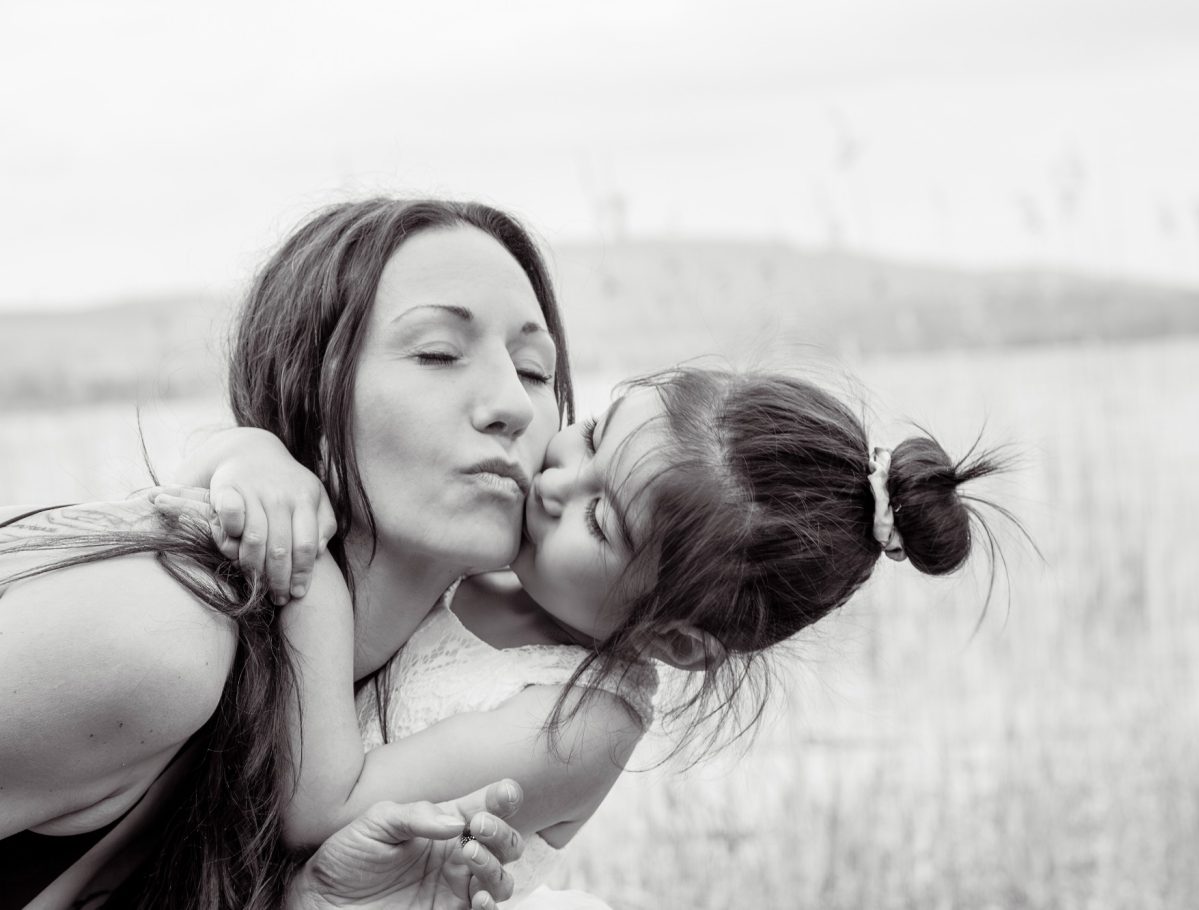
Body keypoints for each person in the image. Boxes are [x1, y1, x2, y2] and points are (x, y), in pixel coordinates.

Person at [169, 362, 1009, 906]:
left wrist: (303, 564)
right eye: (598, 433)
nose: (556, 480)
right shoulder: (487, 541)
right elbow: (228, 482)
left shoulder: (583, 723)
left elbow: (321, 808)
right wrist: (255, 461)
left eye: (601, 519)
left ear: (679, 641)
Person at [0, 198, 577, 908]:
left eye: (533, 371)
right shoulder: (166, 634)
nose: (512, 406)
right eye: (437, 353)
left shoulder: (400, 704)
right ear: (309, 391)